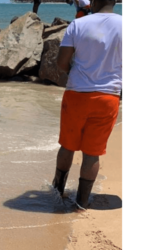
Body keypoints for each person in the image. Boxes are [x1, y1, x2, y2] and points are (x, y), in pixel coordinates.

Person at [52, 0, 121, 210]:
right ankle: (81, 202)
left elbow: (62, 63)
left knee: (67, 146)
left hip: (77, 94)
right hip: (108, 97)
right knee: (93, 153)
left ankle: (57, 192)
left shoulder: (78, 24)